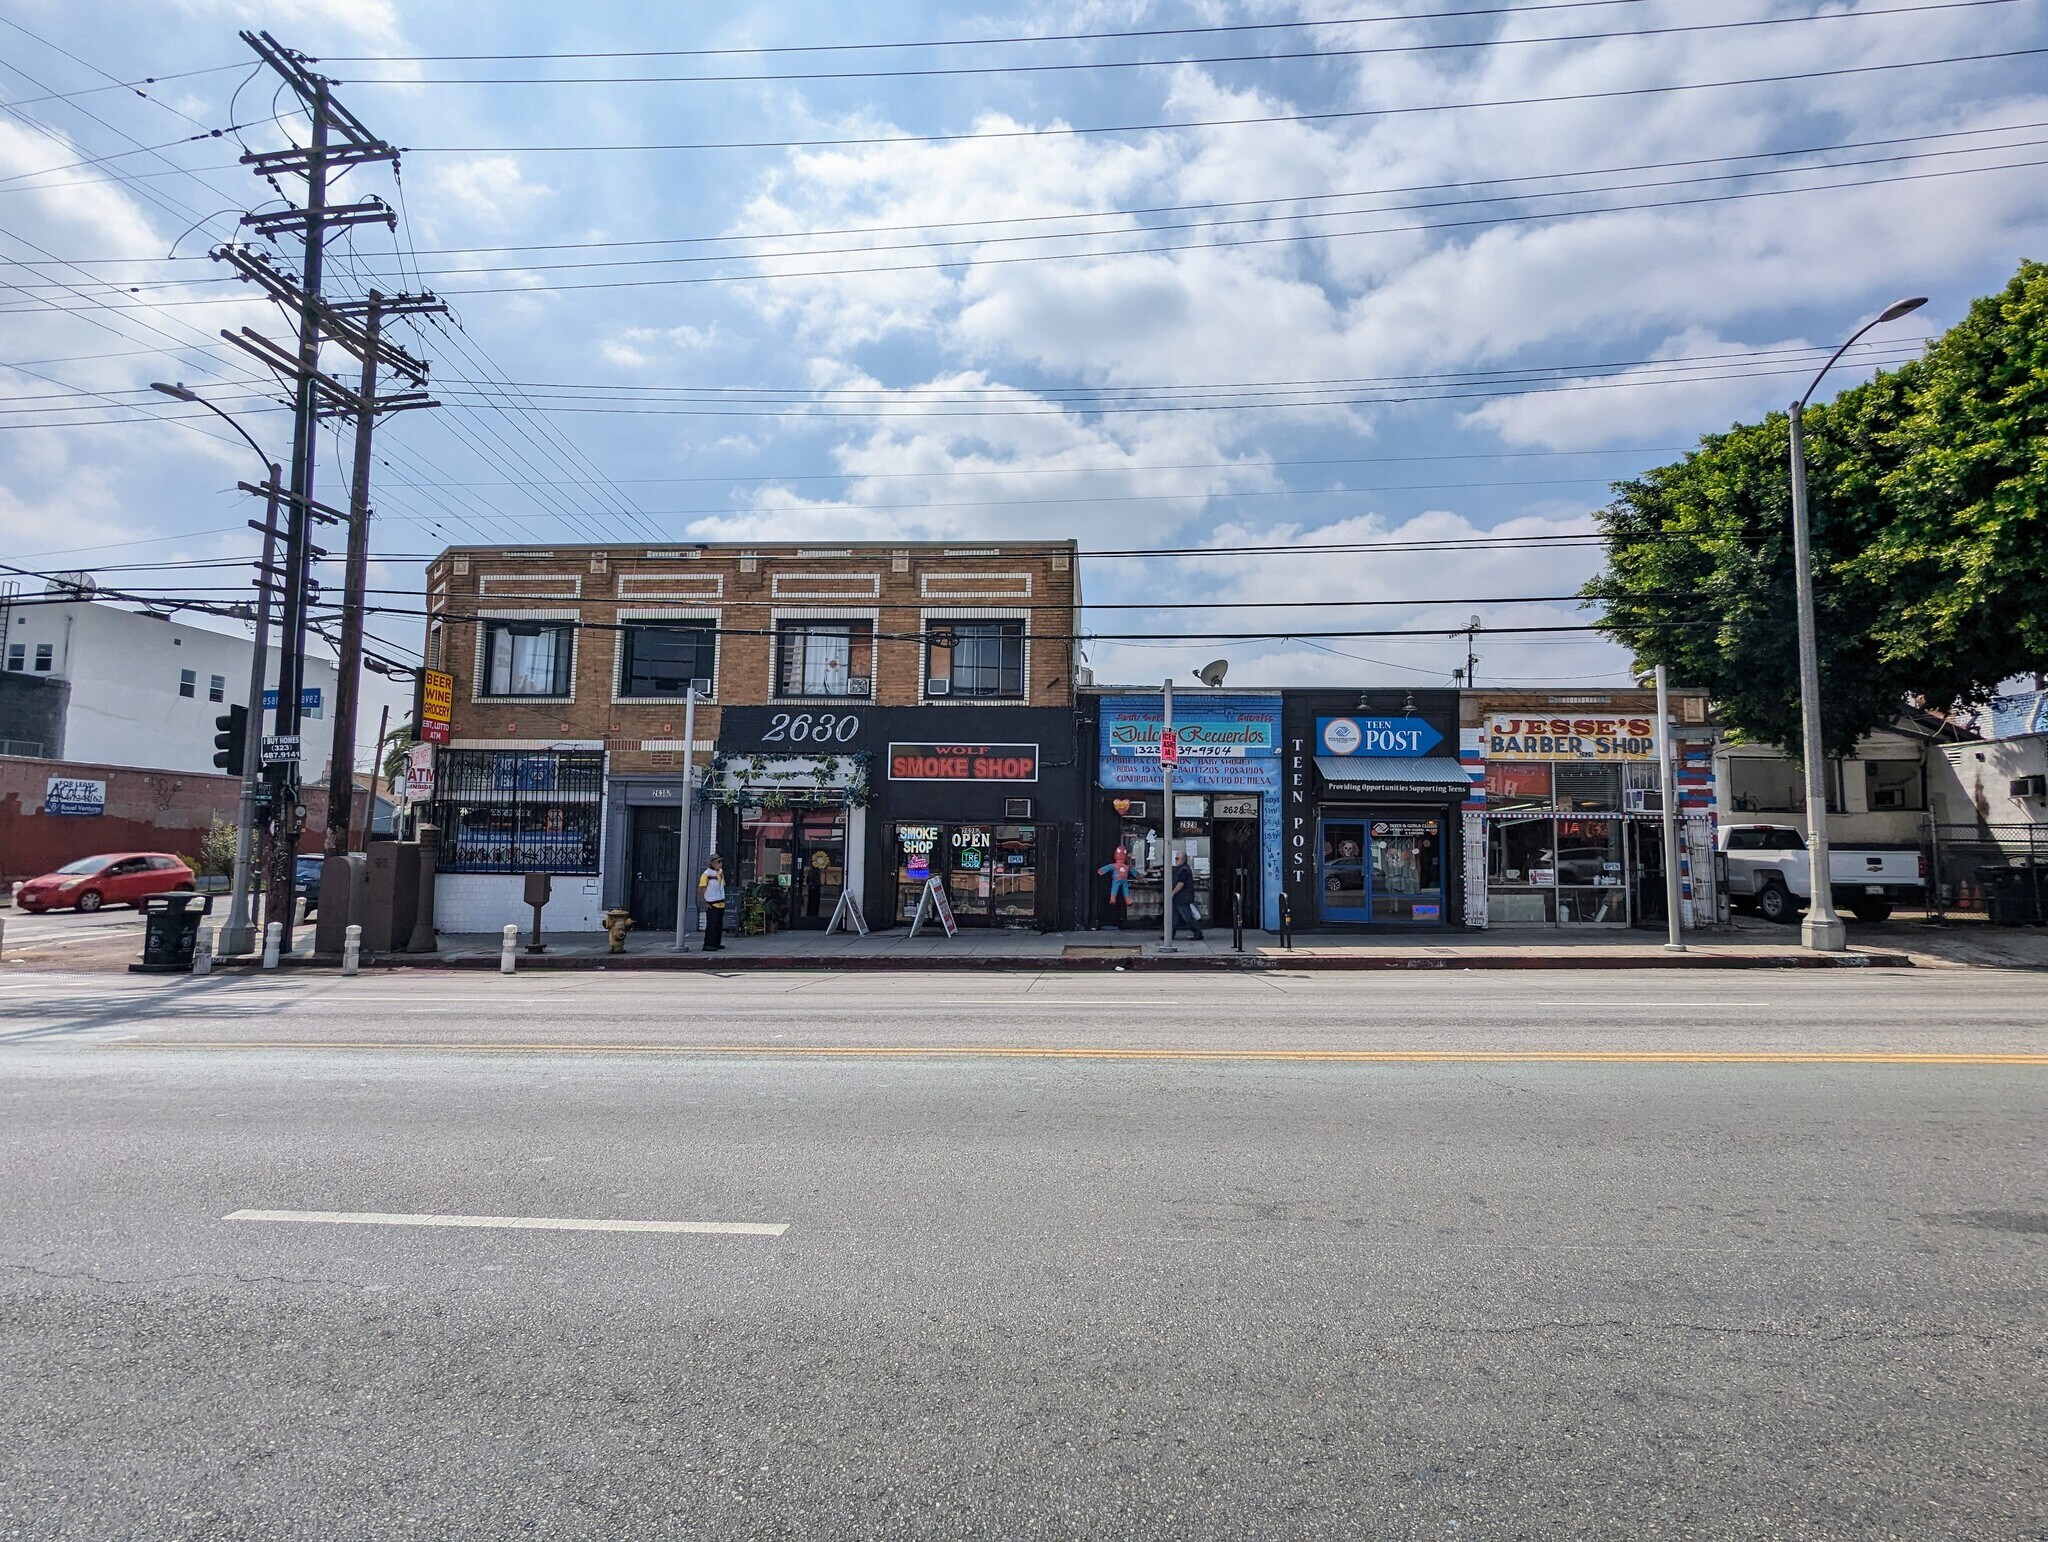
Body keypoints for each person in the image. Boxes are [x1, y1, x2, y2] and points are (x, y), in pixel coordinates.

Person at [1097, 845, 1132, 929]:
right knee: (1125, 889)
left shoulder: (1113, 865)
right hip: (1124, 879)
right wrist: (1139, 876)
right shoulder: (1126, 867)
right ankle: (1127, 900)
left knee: (1115, 888)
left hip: (1116, 879)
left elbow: (1106, 868)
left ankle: (1113, 898)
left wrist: (1101, 871)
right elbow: (1133, 871)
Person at [1171, 851, 1204, 941]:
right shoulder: (1180, 869)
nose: (1175, 860)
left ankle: (1198, 932)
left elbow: (1180, 884)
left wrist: (1172, 893)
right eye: (1175, 858)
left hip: (1182, 898)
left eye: (1177, 858)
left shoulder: (1184, 870)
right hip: (1178, 898)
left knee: (1187, 917)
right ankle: (1169, 935)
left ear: (1183, 859)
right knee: (1174, 918)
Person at [698, 854, 728, 952]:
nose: (720, 864)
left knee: (719, 925)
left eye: (721, 862)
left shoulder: (720, 873)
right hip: (712, 903)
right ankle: (708, 944)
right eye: (718, 862)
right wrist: (704, 903)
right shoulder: (706, 874)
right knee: (712, 925)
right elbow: (701, 889)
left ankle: (716, 943)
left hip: (720, 903)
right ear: (712, 863)